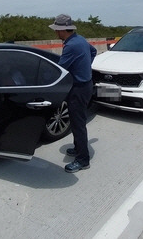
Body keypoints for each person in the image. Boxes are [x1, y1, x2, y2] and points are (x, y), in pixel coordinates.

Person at [49, 14, 97, 173]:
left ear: (62, 30)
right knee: (78, 121)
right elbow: (94, 51)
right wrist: (84, 68)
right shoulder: (80, 39)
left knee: (78, 124)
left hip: (78, 88)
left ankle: (83, 160)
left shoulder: (71, 46)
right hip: (86, 84)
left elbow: (60, 69)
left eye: (57, 30)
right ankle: (78, 148)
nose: (56, 33)